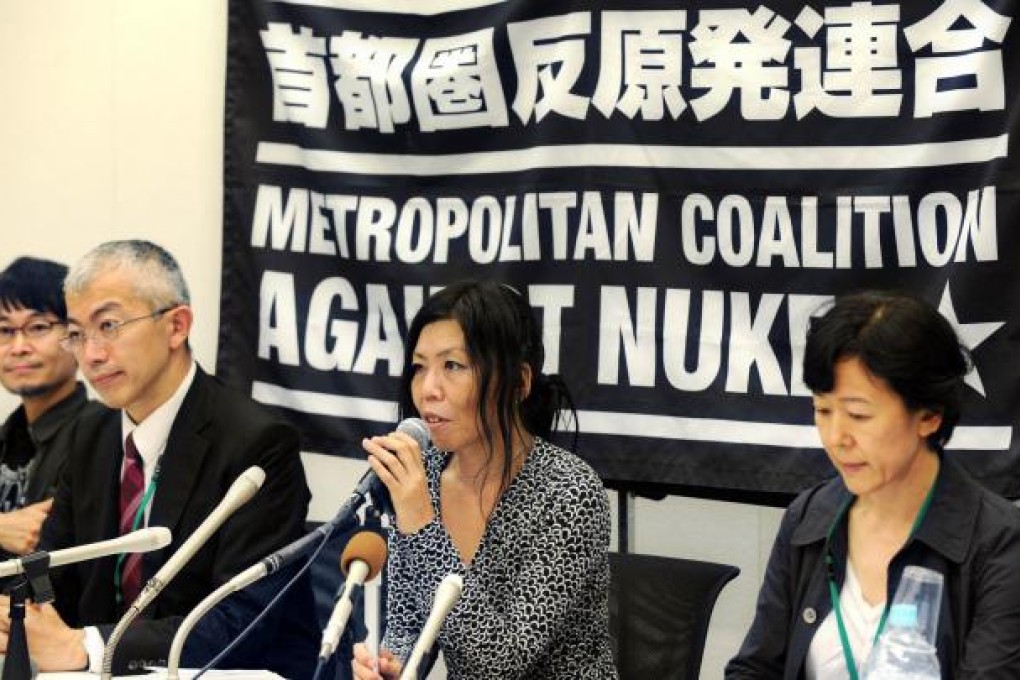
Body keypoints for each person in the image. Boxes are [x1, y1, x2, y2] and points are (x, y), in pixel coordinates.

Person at [0, 240, 313, 676]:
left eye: (108, 325)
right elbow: (53, 573)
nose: (91, 355)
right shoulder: (91, 433)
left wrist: (87, 645)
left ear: (176, 326)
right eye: (77, 334)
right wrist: (18, 614)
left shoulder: (256, 444)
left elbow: (240, 622)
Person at [726, 290, 1020, 679]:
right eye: (823, 410)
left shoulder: (999, 544)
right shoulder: (809, 519)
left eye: (858, 415)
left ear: (930, 416)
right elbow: (755, 669)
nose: (836, 436)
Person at [352, 280, 617, 680]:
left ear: (519, 383)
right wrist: (392, 666)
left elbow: (499, 663)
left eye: (453, 366)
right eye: (419, 367)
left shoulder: (569, 491)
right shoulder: (426, 477)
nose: (428, 389)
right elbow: (409, 626)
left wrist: (422, 522)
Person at [0, 257, 104, 556]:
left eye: (38, 327)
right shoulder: (7, 436)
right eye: (5, 330)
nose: (19, 347)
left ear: (75, 336)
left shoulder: (103, 433)